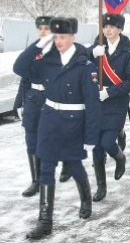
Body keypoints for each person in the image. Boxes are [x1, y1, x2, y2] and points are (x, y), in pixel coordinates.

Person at [13, 17, 101, 239]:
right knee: (46, 169)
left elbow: (92, 104)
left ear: (73, 37)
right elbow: (19, 67)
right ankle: (45, 221)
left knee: (73, 165)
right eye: (56, 36)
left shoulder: (85, 66)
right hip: (48, 119)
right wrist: (40, 43)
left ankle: (86, 199)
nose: (59, 41)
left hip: (73, 122)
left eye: (63, 36)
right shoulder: (46, 62)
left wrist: (90, 136)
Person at [12, 16, 72, 198]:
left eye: (48, 28)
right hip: (33, 101)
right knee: (32, 142)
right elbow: (21, 72)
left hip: (54, 100)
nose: (44, 32)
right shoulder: (33, 52)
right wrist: (19, 103)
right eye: (41, 29)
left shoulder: (61, 51)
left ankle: (67, 162)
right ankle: (36, 180)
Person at [89, 13, 130, 202]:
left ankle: (120, 158)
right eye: (105, 26)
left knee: (107, 142)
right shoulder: (97, 48)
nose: (107, 29)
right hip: (97, 102)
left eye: (112, 26)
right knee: (96, 147)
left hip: (116, 102)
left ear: (120, 29)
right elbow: (83, 67)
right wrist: (92, 54)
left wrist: (109, 92)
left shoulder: (128, 52)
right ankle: (101, 186)